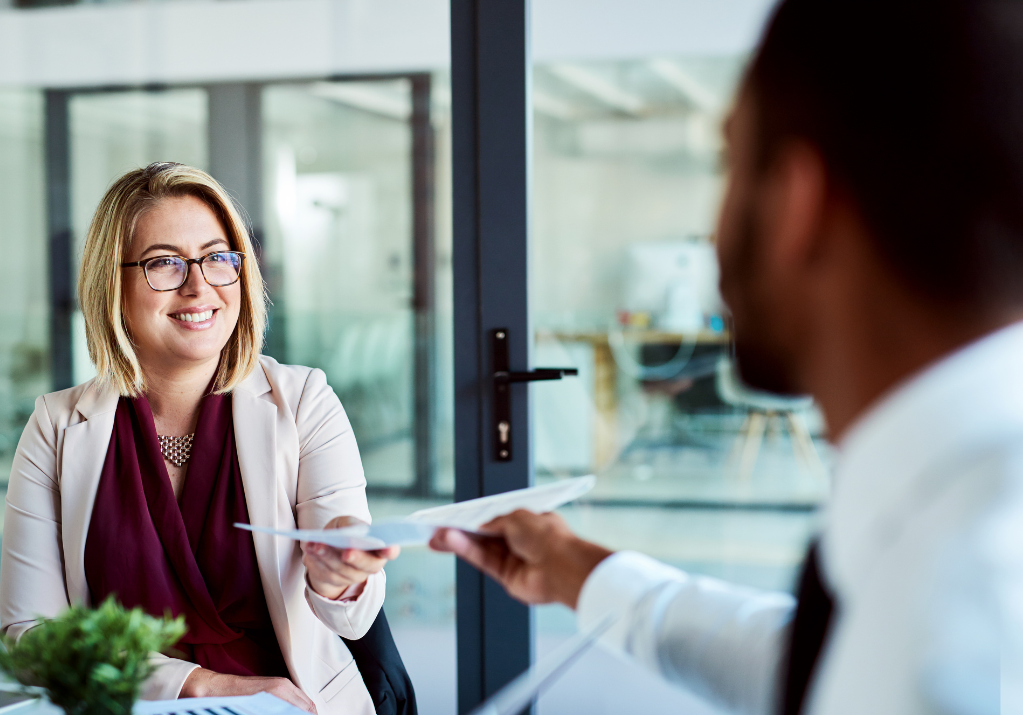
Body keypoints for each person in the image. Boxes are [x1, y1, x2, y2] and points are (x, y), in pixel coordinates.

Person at [431, 1, 1023, 713]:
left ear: (796, 204)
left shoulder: (970, 609)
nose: (712, 234)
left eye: (730, 166)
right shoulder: (949, 551)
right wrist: (576, 568)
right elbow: (822, 662)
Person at [0, 162, 399, 714]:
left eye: (218, 258)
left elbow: (352, 617)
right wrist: (198, 684)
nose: (199, 285)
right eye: (165, 263)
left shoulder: (304, 402)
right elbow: (30, 639)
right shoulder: (57, 426)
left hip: (292, 706)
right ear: (110, 284)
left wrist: (341, 579)